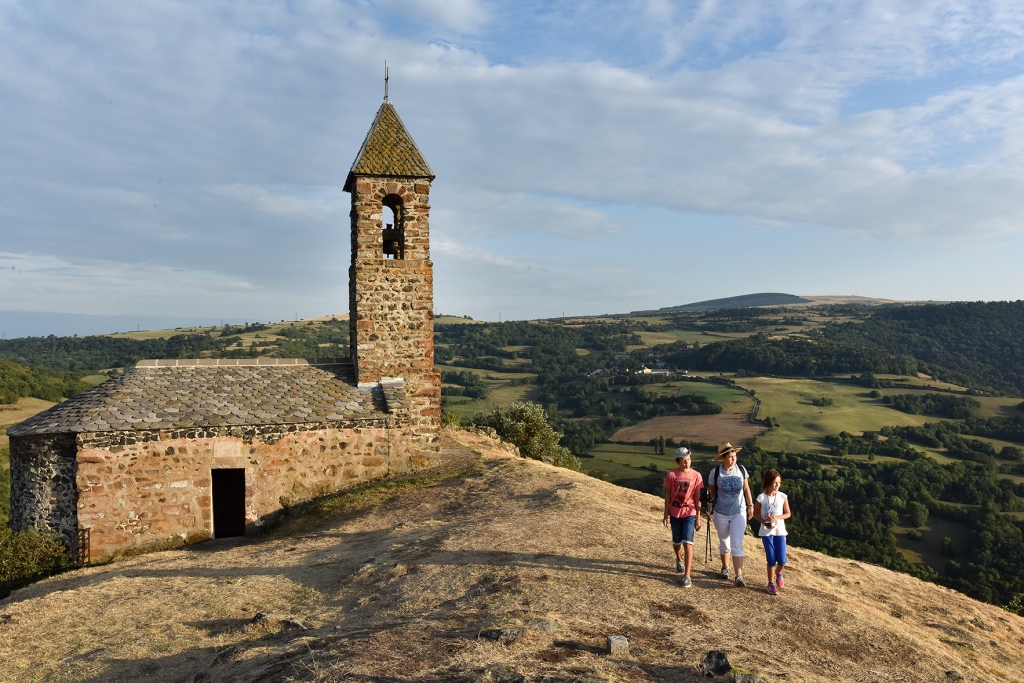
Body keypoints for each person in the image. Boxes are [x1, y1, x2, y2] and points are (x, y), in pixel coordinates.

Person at [707, 442, 754, 587]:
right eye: (730, 457)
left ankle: (738, 575)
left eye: (735, 456)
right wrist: (709, 507)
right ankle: (725, 567)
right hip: (721, 513)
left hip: (739, 512)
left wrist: (750, 505)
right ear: (723, 458)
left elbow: (746, 488)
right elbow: (711, 492)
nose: (733, 459)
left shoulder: (741, 469)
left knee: (736, 544)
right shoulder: (715, 473)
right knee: (724, 542)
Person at [662, 446, 703, 588]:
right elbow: (667, 495)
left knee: (688, 542)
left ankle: (687, 575)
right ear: (678, 461)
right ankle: (678, 558)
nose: (687, 463)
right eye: (684, 460)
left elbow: (698, 498)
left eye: (689, 460)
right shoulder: (671, 475)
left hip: (689, 512)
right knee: (676, 541)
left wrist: (698, 516)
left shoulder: (696, 476)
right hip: (674, 512)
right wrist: (665, 514)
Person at [754, 468, 791, 596]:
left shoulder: (782, 496)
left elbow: (788, 513)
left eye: (779, 482)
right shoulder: (761, 497)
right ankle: (771, 583)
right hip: (766, 532)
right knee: (771, 559)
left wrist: (777, 518)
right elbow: (755, 513)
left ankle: (779, 573)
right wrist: (764, 523)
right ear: (768, 483)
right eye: (775, 482)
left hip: (780, 531)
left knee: (782, 560)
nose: (777, 485)